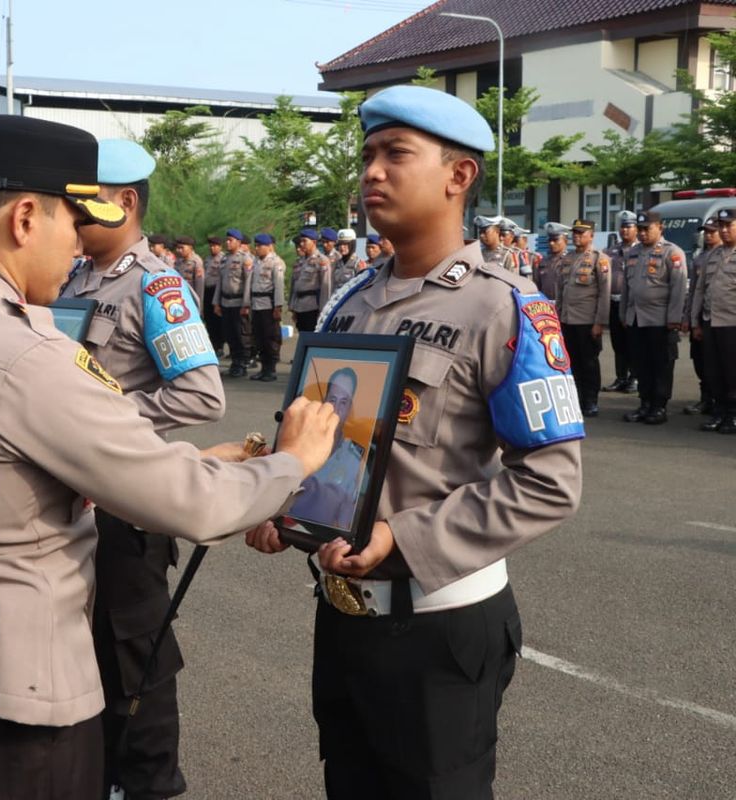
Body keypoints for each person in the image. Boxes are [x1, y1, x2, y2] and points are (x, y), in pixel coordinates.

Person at [0, 113, 338, 800]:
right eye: (72, 222)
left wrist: (139, 449)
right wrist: (291, 463)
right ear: (26, 218)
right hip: (18, 690)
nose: (78, 242)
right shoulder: (25, 352)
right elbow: (193, 505)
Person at [246, 85, 583, 799]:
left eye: (395, 154)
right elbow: (325, 436)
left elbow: (550, 480)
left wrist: (405, 537)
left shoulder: (506, 306)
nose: (371, 171)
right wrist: (283, 502)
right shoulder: (350, 300)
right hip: (342, 615)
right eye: (367, 154)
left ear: (459, 177)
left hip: (439, 628)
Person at [60, 137, 223, 800]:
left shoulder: (157, 284)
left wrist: (112, 422)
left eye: (84, 203)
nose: (70, 216)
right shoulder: (73, 280)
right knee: (85, 657)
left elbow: (202, 392)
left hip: (126, 509)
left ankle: (153, 784)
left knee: (136, 661)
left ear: (125, 201)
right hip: (74, 505)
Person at [621, 211, 688, 425]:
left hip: (660, 319)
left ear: (660, 227)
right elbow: (626, 288)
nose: (641, 233)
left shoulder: (672, 252)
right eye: (639, 229)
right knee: (641, 364)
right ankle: (645, 403)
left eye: (646, 229)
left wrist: (674, 318)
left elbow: (678, 289)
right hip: (636, 319)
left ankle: (659, 406)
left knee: (661, 364)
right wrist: (624, 314)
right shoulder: (633, 253)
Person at [287, 367, 364, 530]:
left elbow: (344, 520)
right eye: (332, 400)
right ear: (324, 402)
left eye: (344, 402)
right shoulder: (300, 440)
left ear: (350, 407)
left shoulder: (356, 460)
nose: (336, 409)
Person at [555, 219, 611, 417]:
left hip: (587, 321)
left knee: (589, 362)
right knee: (572, 362)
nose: (577, 236)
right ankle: (576, 398)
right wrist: (558, 317)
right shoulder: (567, 258)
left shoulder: (599, 259)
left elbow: (604, 293)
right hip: (568, 320)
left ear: (591, 235)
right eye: (575, 233)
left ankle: (591, 400)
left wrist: (599, 322)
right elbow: (561, 291)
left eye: (581, 233)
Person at [691, 207, 736, 432]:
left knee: (732, 372)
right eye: (722, 226)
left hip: (732, 323)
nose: (724, 230)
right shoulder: (712, 255)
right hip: (711, 322)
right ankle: (718, 412)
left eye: (729, 226)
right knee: (713, 371)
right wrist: (696, 322)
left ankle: (733, 415)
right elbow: (700, 290)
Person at [684, 218, 720, 415]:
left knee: (719, 363)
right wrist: (689, 317)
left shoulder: (724, 256)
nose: (708, 235)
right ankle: (706, 397)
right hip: (701, 317)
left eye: (712, 231)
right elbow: (694, 292)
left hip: (722, 318)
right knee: (700, 360)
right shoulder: (699, 258)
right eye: (706, 232)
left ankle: (718, 400)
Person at [603, 211, 639, 393]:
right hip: (614, 301)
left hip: (632, 304)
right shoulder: (612, 251)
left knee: (632, 343)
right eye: (622, 227)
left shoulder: (640, 250)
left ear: (636, 228)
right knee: (618, 343)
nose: (625, 230)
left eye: (629, 227)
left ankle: (634, 377)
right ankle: (621, 377)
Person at [245, 233, 286, 381]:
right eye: (255, 245)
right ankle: (263, 368)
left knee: (270, 338)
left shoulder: (276, 263)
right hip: (256, 304)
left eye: (260, 246)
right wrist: (247, 303)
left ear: (269, 247)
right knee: (259, 337)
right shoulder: (256, 262)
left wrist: (278, 307)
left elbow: (279, 286)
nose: (256, 248)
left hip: (269, 305)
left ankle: (271, 369)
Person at [213, 228, 253, 377]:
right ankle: (235, 362)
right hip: (225, 301)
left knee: (240, 334)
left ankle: (242, 363)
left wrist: (246, 304)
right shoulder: (224, 259)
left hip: (238, 302)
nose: (227, 243)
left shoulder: (245, 258)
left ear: (238, 242)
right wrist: (216, 302)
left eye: (231, 240)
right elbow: (220, 282)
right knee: (229, 334)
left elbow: (248, 282)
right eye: (227, 240)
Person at [289, 227, 332, 334]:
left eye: (304, 241)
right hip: (299, 306)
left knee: (312, 336)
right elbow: (294, 285)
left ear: (313, 242)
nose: (302, 244)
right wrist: (293, 307)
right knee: (302, 336)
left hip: (313, 306)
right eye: (301, 241)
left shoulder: (322, 260)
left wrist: (323, 311)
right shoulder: (299, 261)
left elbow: (325, 287)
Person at [202, 235, 225, 352]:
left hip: (217, 291)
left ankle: (219, 346)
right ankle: (213, 343)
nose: (212, 248)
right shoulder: (207, 259)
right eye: (211, 246)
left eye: (215, 246)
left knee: (218, 320)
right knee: (209, 318)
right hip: (208, 291)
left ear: (220, 247)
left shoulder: (223, 259)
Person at [537, 222, 570, 299]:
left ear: (565, 241)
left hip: (564, 306)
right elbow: (537, 285)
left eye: (555, 240)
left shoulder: (571, 261)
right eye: (549, 240)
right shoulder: (543, 261)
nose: (551, 243)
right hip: (545, 306)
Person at [172, 235, 206, 301]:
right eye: (178, 248)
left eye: (182, 248)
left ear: (190, 248)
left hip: (191, 297)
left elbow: (199, 287)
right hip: (179, 296)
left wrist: (198, 304)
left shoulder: (196, 262)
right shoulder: (178, 261)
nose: (178, 250)